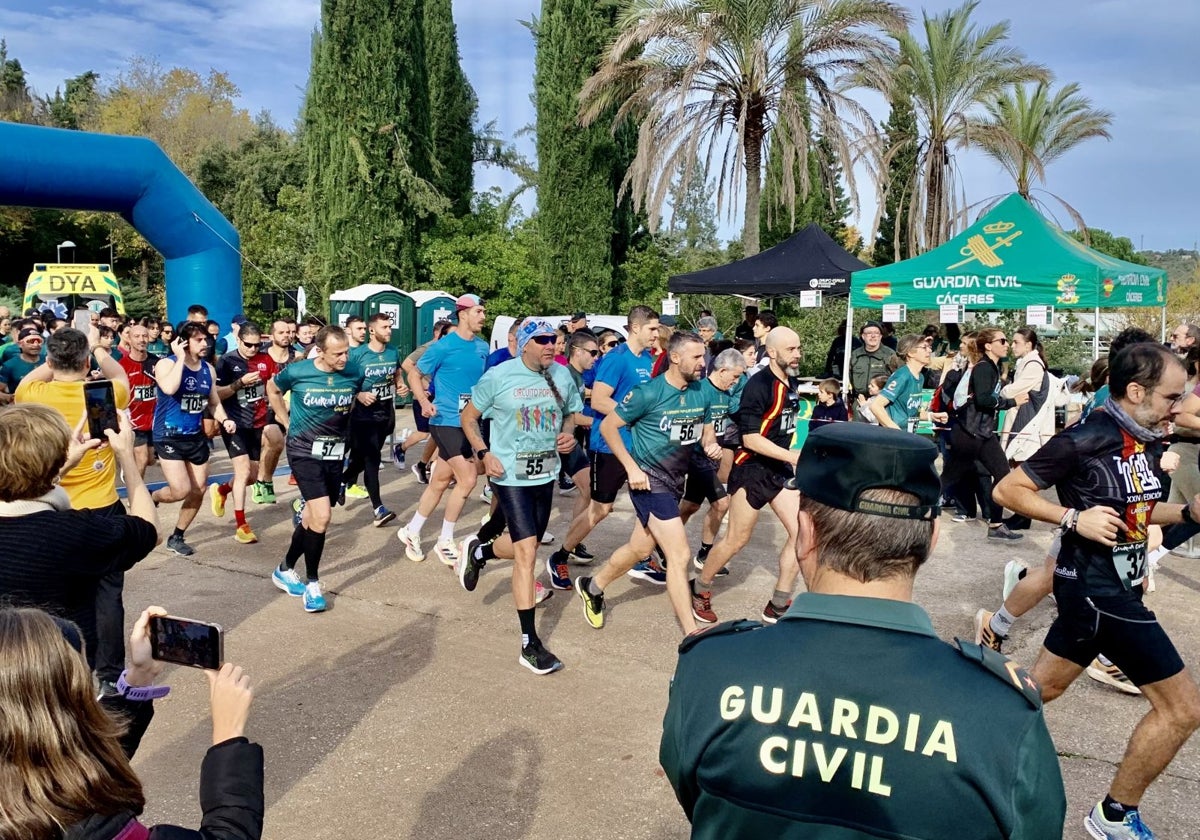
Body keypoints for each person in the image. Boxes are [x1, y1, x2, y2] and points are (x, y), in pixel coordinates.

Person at [661, 422, 1065, 839]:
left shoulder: (710, 667)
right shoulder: (1002, 712)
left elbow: (695, 796)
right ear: (931, 537)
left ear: (806, 533)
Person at [993, 342, 1200, 840]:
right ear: (1136, 391)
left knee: (1042, 692)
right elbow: (1007, 490)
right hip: (1096, 589)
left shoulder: (1147, 438)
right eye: (1172, 397)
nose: (1180, 408)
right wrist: (1072, 517)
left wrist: (1190, 516)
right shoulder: (1086, 437)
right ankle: (1113, 816)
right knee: (1183, 709)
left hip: (1111, 588)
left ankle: (964, 749)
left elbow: (1138, 513)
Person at [0, 604, 263, 839]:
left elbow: (72, 756)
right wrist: (228, 738)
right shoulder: (94, 828)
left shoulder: (20, 791)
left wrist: (139, 676)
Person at [456, 318, 583, 675]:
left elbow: (570, 414)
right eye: (542, 340)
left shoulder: (561, 377)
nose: (550, 345)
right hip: (508, 473)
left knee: (525, 545)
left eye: (554, 340)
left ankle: (480, 550)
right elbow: (468, 418)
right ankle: (530, 643)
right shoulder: (499, 376)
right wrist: (483, 453)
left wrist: (569, 434)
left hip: (545, 473)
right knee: (527, 552)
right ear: (524, 344)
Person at [0, 403, 159, 683]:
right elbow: (149, 530)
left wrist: (58, 466)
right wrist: (127, 458)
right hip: (58, 673)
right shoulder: (72, 532)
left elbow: (23, 490)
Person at [574, 332, 720, 634]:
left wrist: (710, 443)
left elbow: (706, 426)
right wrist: (631, 468)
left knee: (640, 548)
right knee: (679, 556)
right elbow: (611, 427)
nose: (703, 363)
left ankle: (594, 585)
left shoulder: (702, 392)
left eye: (703, 356)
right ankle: (691, 632)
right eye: (696, 357)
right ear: (675, 357)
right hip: (649, 481)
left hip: (675, 480)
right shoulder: (647, 393)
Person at [692, 327, 804, 624]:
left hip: (778, 468)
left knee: (802, 532)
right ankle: (700, 588)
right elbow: (750, 438)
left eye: (799, 348)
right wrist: (793, 456)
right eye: (791, 350)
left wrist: (794, 453)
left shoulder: (791, 381)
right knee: (737, 540)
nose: (797, 355)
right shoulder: (759, 385)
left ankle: (778, 603)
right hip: (752, 468)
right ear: (773, 352)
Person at [546, 306, 658, 575]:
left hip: (639, 446)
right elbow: (598, 401)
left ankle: (644, 556)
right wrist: (635, 414)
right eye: (652, 329)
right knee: (601, 509)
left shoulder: (646, 360)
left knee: (652, 503)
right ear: (635, 328)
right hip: (609, 445)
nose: (657, 334)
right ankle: (560, 556)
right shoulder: (617, 359)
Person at [267, 325, 364, 613]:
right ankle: (312, 585)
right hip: (303, 451)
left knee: (311, 518)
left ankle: (284, 568)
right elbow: (272, 389)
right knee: (322, 516)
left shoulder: (354, 372)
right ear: (319, 351)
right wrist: (285, 422)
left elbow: (352, 402)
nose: (344, 358)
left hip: (334, 453)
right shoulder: (298, 372)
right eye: (337, 354)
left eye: (346, 352)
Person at [397, 295, 489, 566]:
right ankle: (445, 540)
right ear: (463, 314)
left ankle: (411, 530)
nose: (483, 316)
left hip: (469, 422)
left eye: (484, 311)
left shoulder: (482, 348)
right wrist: (424, 401)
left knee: (439, 481)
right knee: (469, 479)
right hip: (445, 421)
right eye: (479, 311)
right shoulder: (443, 346)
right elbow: (413, 372)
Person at [150, 322, 235, 557]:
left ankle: (177, 535)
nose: (205, 343)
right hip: (168, 434)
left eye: (206, 339)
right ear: (184, 342)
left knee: (198, 489)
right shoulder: (166, 364)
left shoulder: (208, 369)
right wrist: (179, 359)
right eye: (198, 339)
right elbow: (168, 388)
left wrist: (224, 419)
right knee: (180, 490)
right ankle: (154, 496)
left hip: (194, 436)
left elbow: (213, 400)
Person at [939, 328, 1028, 540]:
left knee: (1002, 474)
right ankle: (917, 507)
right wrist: (1011, 402)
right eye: (1002, 340)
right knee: (950, 477)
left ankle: (996, 524)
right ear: (988, 345)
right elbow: (983, 399)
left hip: (981, 433)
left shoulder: (991, 367)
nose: (1006, 344)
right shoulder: (984, 368)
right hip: (969, 433)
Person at [679, 348, 746, 574]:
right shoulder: (699, 390)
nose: (736, 382)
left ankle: (659, 540)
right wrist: (706, 444)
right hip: (696, 457)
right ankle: (706, 553)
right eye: (735, 376)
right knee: (721, 503)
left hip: (711, 458)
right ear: (723, 370)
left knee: (690, 505)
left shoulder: (726, 395)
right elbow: (686, 423)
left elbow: (739, 415)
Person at [211, 321, 277, 544]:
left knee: (251, 476)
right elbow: (216, 395)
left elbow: (272, 387)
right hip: (234, 423)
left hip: (257, 423)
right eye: (249, 345)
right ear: (238, 340)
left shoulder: (265, 359)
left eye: (257, 345)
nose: (253, 349)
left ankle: (221, 490)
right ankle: (241, 525)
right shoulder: (227, 362)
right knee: (242, 472)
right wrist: (239, 383)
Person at [342, 312, 408, 525]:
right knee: (372, 460)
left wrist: (400, 384)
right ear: (372, 330)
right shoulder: (358, 354)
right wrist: (359, 394)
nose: (389, 331)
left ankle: (341, 482)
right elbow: (344, 380)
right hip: (363, 416)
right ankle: (378, 508)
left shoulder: (391, 351)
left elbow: (396, 372)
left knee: (362, 459)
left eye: (390, 327)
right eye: (385, 327)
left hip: (385, 413)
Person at [398, 318, 454, 481]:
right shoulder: (429, 347)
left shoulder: (452, 349)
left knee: (437, 434)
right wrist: (425, 385)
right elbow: (407, 364)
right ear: (438, 333)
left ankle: (428, 465)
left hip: (441, 395)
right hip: (425, 396)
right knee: (425, 433)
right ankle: (402, 449)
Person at [253, 318, 301, 504]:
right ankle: (261, 480)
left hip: (287, 407)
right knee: (272, 443)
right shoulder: (261, 356)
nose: (286, 336)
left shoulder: (297, 357)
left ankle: (265, 480)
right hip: (261, 408)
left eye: (289, 332)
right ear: (272, 335)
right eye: (281, 332)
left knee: (276, 445)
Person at [869, 334, 947, 432]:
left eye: (929, 347)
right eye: (924, 347)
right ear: (910, 353)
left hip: (909, 436)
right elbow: (876, 406)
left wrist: (931, 416)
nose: (930, 351)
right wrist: (896, 432)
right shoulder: (902, 376)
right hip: (894, 439)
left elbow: (910, 413)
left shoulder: (920, 377)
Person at [116, 322, 160, 478]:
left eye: (144, 336)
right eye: (137, 336)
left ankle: (129, 467)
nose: (141, 340)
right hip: (133, 420)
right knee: (141, 459)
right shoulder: (122, 366)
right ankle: (136, 496)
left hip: (153, 419)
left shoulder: (157, 362)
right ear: (129, 339)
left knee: (149, 460)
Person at [849, 320, 896, 402]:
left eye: (876, 333)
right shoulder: (855, 355)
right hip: (859, 400)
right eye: (869, 333)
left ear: (881, 336)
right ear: (863, 336)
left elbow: (898, 378)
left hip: (882, 402)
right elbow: (849, 377)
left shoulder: (890, 354)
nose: (873, 336)